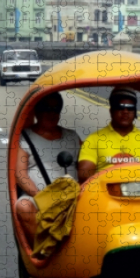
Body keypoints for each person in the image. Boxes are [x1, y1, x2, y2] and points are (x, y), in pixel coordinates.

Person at [15, 93, 82, 246]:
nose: (52, 113)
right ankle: (42, 252)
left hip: (72, 195)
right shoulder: (25, 138)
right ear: (36, 111)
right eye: (47, 109)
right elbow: (20, 174)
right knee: (23, 207)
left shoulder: (72, 136)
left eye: (56, 109)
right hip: (38, 197)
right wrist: (42, 197)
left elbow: (85, 167)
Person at [78, 87, 140, 183]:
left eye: (130, 107)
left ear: (135, 112)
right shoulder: (93, 140)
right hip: (103, 194)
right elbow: (84, 175)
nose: (125, 111)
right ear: (111, 111)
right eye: (120, 106)